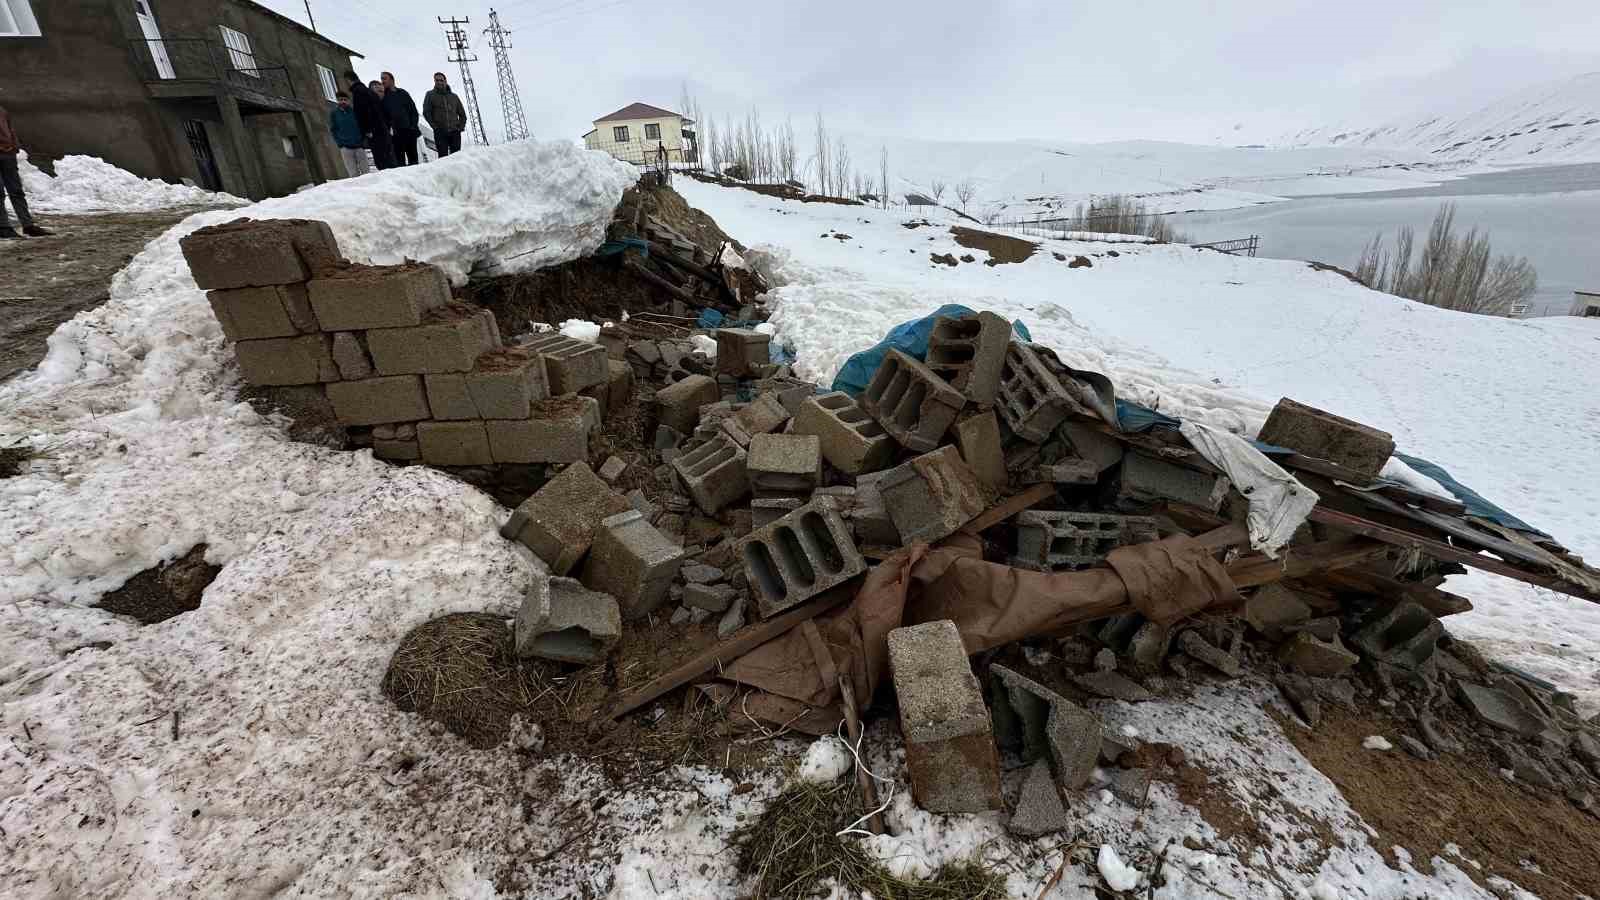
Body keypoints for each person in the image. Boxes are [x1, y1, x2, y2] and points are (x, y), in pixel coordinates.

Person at [0, 104, 50, 239]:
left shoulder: (2, 110)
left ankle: (28, 225)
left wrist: (15, 146)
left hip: (8, 155)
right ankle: (3, 227)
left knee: (16, 191)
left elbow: (11, 130)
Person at [345, 70, 394, 170]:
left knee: (381, 160)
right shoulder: (369, 92)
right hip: (382, 129)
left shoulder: (358, 92)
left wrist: (367, 130)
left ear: (348, 80)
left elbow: (362, 113)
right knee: (388, 159)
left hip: (374, 132)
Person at [380, 72, 422, 166]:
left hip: (409, 131)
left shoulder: (402, 93)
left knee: (413, 160)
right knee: (400, 162)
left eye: (384, 78)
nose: (382, 81)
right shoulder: (383, 96)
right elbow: (383, 116)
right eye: (381, 79)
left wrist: (413, 126)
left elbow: (413, 111)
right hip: (395, 134)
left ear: (392, 80)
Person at [422, 72, 467, 158]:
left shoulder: (454, 97)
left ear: (445, 81)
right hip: (440, 132)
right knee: (443, 158)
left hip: (455, 132)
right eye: (436, 80)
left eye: (441, 80)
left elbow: (462, 114)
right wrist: (435, 127)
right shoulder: (430, 95)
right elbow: (426, 112)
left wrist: (460, 127)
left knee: (457, 157)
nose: (439, 82)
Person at [328, 92, 367, 177]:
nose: (343, 101)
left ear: (348, 101)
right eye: (340, 100)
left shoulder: (354, 112)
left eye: (345, 100)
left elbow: (362, 126)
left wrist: (362, 140)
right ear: (337, 101)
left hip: (359, 146)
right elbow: (333, 130)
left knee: (366, 172)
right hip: (345, 148)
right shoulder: (334, 114)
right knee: (353, 174)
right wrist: (340, 143)